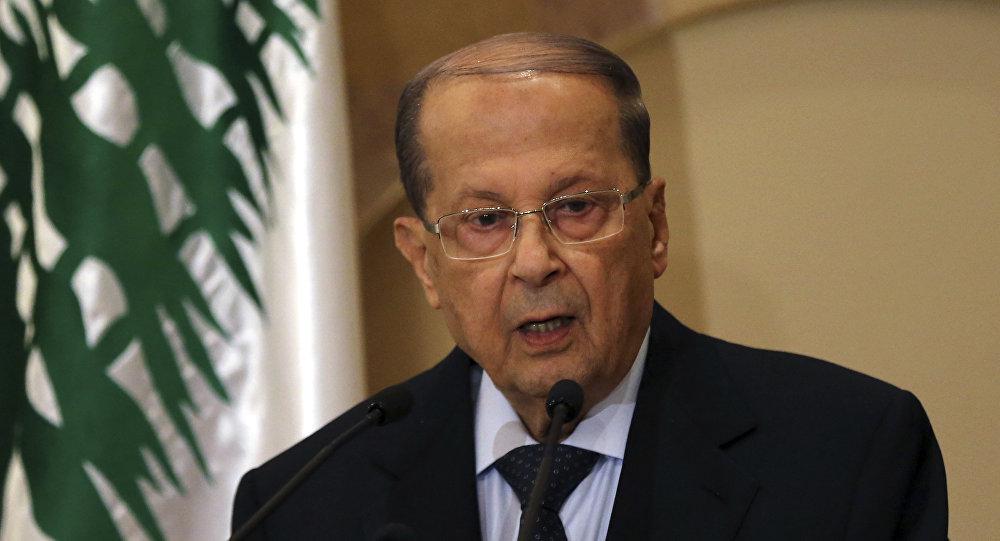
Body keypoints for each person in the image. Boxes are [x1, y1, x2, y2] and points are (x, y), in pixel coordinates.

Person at [232, 33, 947, 540]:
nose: (534, 262)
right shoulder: (301, 505)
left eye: (576, 207)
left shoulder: (849, 455)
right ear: (424, 261)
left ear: (654, 226)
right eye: (485, 220)